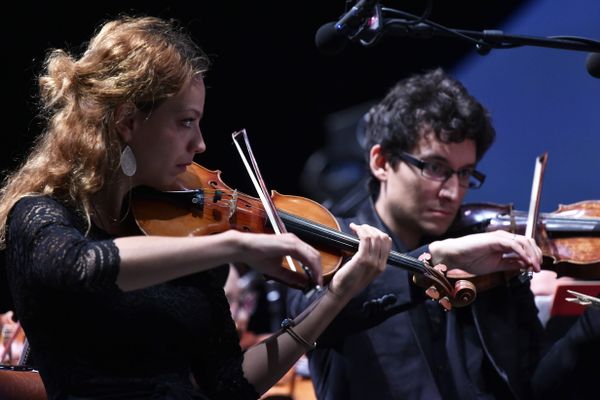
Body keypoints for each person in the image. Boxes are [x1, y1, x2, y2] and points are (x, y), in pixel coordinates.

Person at [0, 15, 397, 400]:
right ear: (128, 121)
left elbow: (228, 385)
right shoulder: (38, 218)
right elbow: (85, 265)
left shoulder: (177, 234)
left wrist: (334, 298)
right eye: (186, 122)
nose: (200, 144)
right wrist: (234, 245)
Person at [287, 68, 544, 400]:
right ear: (381, 162)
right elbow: (306, 320)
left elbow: (536, 385)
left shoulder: (483, 265)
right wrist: (431, 260)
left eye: (464, 173)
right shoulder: (328, 240)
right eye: (435, 168)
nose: (453, 191)